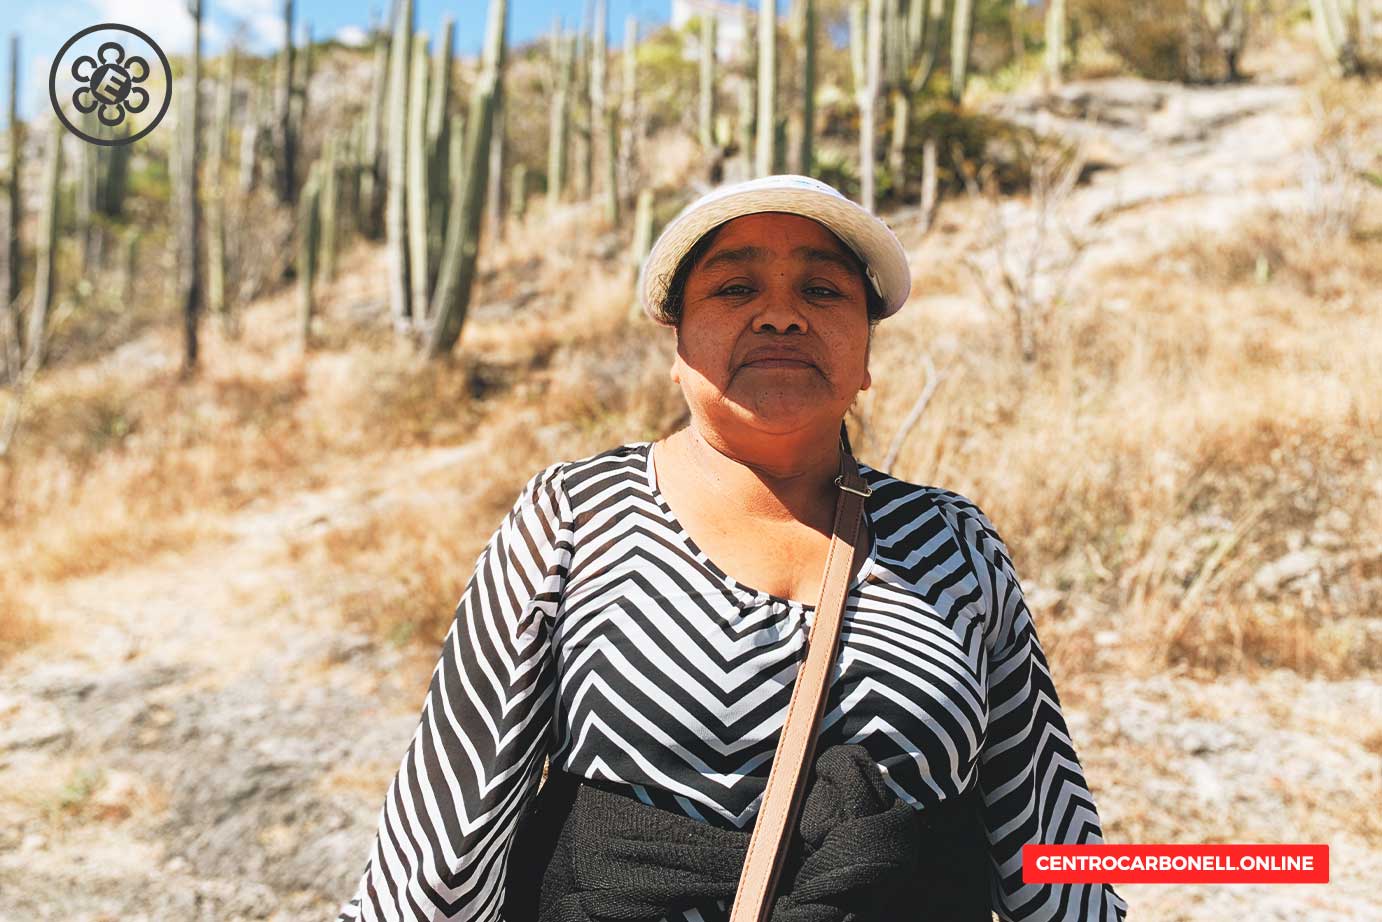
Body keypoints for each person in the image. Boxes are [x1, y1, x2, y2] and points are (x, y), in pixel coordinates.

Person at [334, 175, 1129, 922]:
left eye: (822, 291)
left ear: (866, 357)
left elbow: (1050, 838)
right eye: (735, 289)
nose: (781, 316)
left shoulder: (955, 543)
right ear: (678, 346)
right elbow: (444, 840)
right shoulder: (573, 520)